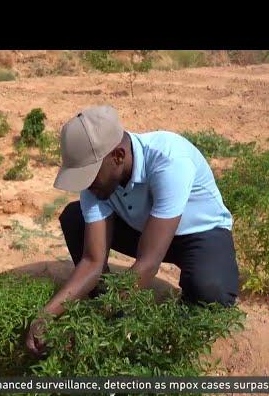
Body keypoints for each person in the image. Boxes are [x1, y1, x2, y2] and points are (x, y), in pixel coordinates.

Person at [26, 105, 239, 356]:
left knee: (209, 291)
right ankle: (107, 301)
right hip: (144, 229)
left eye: (91, 177)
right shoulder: (97, 181)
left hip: (200, 234)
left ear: (117, 156)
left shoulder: (169, 159)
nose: (87, 186)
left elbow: (148, 262)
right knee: (75, 218)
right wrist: (45, 316)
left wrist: (92, 326)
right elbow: (92, 261)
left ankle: (119, 312)